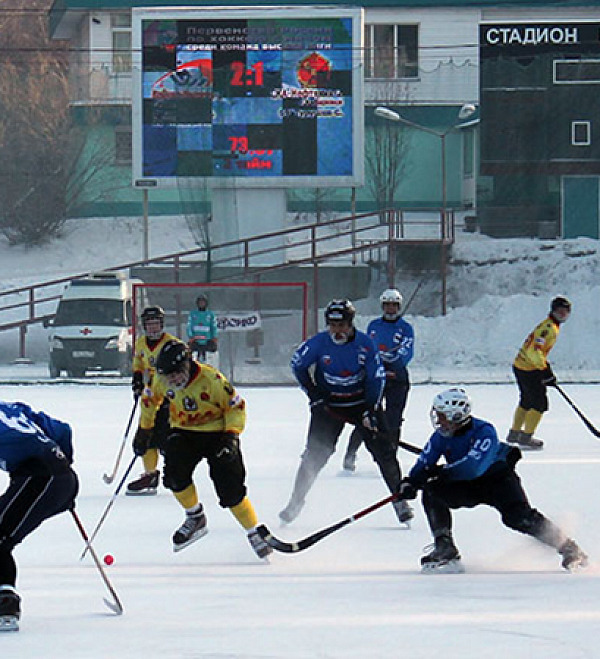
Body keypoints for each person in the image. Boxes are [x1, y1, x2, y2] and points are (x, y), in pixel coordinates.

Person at [397, 387, 588, 574]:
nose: (438, 420)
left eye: (442, 416)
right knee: (432, 490)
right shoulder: (441, 436)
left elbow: (473, 466)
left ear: (456, 415)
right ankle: (445, 546)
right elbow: (426, 459)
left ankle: (568, 548)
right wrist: (411, 481)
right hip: (468, 485)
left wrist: (441, 471)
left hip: (497, 481)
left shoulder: (484, 431)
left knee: (518, 517)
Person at [279, 298, 413, 526]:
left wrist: (370, 409)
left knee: (385, 452)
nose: (337, 330)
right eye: (333, 325)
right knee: (314, 455)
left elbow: (376, 378)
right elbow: (297, 365)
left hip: (361, 402)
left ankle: (399, 501)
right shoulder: (319, 343)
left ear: (351, 324)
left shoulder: (365, 344)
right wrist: (314, 395)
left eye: (342, 325)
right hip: (330, 406)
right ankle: (295, 502)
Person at [152, 339, 272, 560]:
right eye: (169, 376)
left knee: (230, 488)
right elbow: (150, 401)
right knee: (174, 476)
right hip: (185, 431)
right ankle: (195, 517)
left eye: (177, 373)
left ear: (188, 364)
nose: (173, 380)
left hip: (218, 433)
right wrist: (145, 430)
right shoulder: (162, 381)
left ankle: (254, 531)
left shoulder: (212, 380)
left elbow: (236, 407)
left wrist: (231, 437)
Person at [0, 402, 78, 631]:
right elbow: (63, 430)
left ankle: (6, 605)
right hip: (58, 478)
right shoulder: (12, 408)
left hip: (40, 480)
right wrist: (64, 466)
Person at [343, 288, 414, 473]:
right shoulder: (373, 326)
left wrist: (393, 362)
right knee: (366, 414)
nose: (390, 308)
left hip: (397, 378)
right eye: (387, 305)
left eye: (394, 305)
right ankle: (350, 453)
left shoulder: (406, 328)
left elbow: (407, 351)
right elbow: (368, 349)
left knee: (394, 419)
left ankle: (390, 456)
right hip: (374, 376)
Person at [506, 296, 572, 450]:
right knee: (539, 403)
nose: (563, 315)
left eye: (566, 312)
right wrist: (545, 371)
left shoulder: (550, 326)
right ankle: (526, 437)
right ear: (553, 311)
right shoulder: (548, 329)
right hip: (529, 368)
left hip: (522, 366)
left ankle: (514, 433)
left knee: (527, 401)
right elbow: (534, 351)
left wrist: (544, 369)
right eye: (559, 311)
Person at [127, 306, 178, 495]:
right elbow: (139, 364)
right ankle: (150, 475)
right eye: (149, 325)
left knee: (169, 439)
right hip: (150, 398)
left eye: (156, 324)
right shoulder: (141, 343)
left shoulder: (171, 344)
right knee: (146, 436)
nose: (153, 329)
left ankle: (175, 473)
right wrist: (137, 382)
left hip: (169, 399)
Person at [187, 294, 218, 363]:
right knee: (193, 359)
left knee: (209, 360)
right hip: (195, 341)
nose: (201, 304)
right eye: (200, 302)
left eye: (203, 302)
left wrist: (214, 337)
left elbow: (214, 326)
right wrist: (191, 336)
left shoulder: (210, 314)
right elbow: (189, 326)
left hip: (207, 341)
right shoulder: (193, 314)